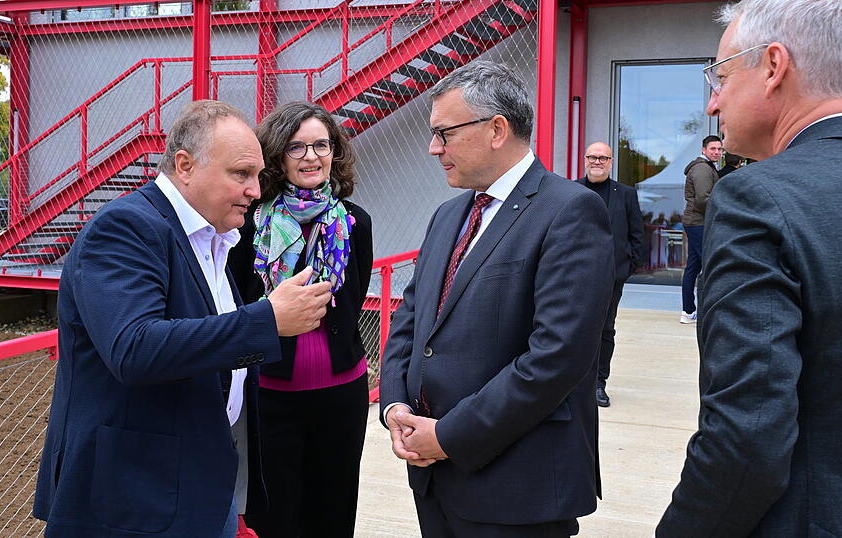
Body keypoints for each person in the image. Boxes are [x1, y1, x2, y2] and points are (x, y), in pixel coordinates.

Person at [657, 1, 842, 536]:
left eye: (718, 76)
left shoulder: (754, 199)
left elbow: (746, 437)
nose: (713, 103)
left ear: (773, 66)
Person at [32, 100, 333, 537]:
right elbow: (134, 348)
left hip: (194, 484)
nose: (255, 189)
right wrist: (267, 320)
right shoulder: (125, 227)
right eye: (241, 174)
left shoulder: (214, 237)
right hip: (131, 499)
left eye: (257, 176)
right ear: (185, 165)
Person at [379, 61, 614, 537]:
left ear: (497, 130)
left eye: (444, 133)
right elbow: (411, 318)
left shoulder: (569, 211)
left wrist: (448, 435)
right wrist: (395, 406)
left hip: (516, 490)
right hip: (434, 479)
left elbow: (557, 357)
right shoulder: (448, 215)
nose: (433, 148)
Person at [229, 101, 373, 538]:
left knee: (333, 509)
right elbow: (239, 303)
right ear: (276, 155)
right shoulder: (249, 226)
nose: (311, 156)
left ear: (335, 153)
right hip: (270, 393)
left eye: (321, 145)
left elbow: (353, 299)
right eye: (296, 147)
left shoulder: (355, 222)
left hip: (343, 393)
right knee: (274, 515)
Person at [576, 141, 645, 407]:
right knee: (573, 328)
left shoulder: (625, 194)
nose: (597, 162)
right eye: (592, 157)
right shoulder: (572, 190)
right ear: (585, 159)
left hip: (610, 277)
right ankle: (573, 382)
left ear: (611, 162)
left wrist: (626, 269)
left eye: (602, 158)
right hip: (575, 275)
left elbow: (637, 234)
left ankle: (598, 383)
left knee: (605, 329)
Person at [679, 135, 722, 324]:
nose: (717, 152)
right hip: (699, 223)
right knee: (709, 266)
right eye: (713, 149)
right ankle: (705, 311)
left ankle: (688, 311)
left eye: (720, 149)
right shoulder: (703, 169)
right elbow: (703, 199)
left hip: (696, 222)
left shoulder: (704, 167)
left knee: (694, 267)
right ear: (704, 150)